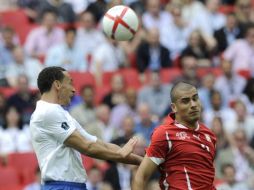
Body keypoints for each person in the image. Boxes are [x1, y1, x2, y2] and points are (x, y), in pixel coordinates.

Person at [30, 66, 142, 189]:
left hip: (74, 185)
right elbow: (87, 147)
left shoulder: (62, 114)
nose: (73, 90)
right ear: (57, 84)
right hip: (61, 186)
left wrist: (143, 161)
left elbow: (97, 143)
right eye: (70, 83)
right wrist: (119, 155)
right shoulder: (47, 112)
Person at [133, 81, 217, 190]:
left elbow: (206, 179)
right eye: (185, 101)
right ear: (174, 107)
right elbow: (141, 177)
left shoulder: (209, 135)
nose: (193, 105)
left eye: (195, 98)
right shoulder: (164, 134)